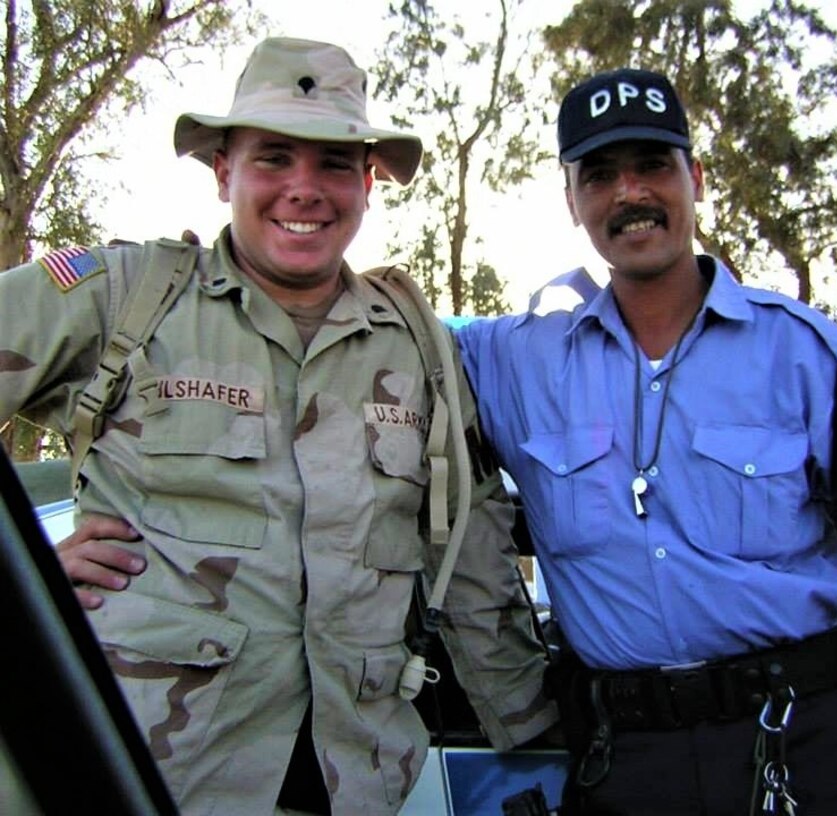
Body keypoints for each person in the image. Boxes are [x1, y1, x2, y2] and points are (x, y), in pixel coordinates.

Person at [0, 37, 556, 814]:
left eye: (334, 163)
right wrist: (23, 578)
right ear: (223, 170)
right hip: (147, 775)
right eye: (273, 158)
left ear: (367, 182)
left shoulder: (417, 344)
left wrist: (532, 725)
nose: (305, 189)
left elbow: (470, 546)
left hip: (353, 784)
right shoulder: (120, 299)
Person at [455, 68, 837, 815]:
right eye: (600, 174)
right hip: (624, 765)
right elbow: (381, 335)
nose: (629, 193)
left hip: (802, 750)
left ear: (695, 178)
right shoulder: (510, 360)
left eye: (653, 165)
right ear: (572, 200)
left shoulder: (806, 352)